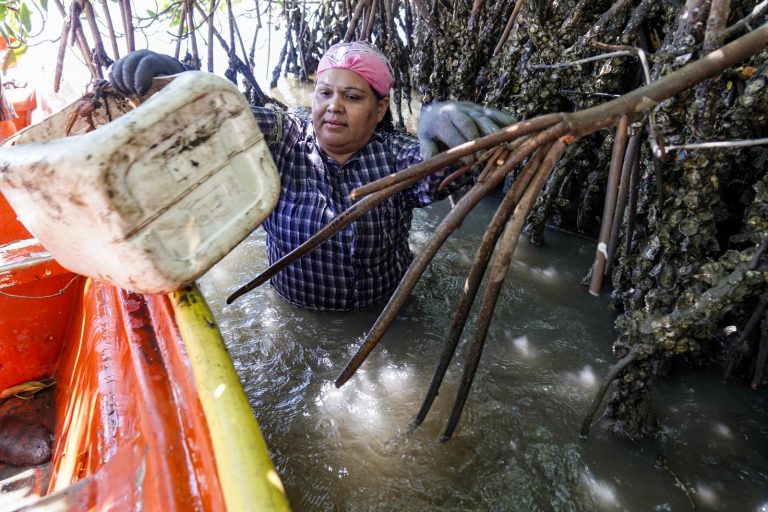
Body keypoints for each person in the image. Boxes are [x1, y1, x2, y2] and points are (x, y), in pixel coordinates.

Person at [109, 42, 514, 311]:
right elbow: (228, 117)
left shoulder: (395, 156)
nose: (334, 106)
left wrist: (439, 128)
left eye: (352, 97)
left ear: (379, 109)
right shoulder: (283, 137)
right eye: (325, 93)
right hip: (293, 310)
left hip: (386, 310)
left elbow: (441, 172)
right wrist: (184, 82)